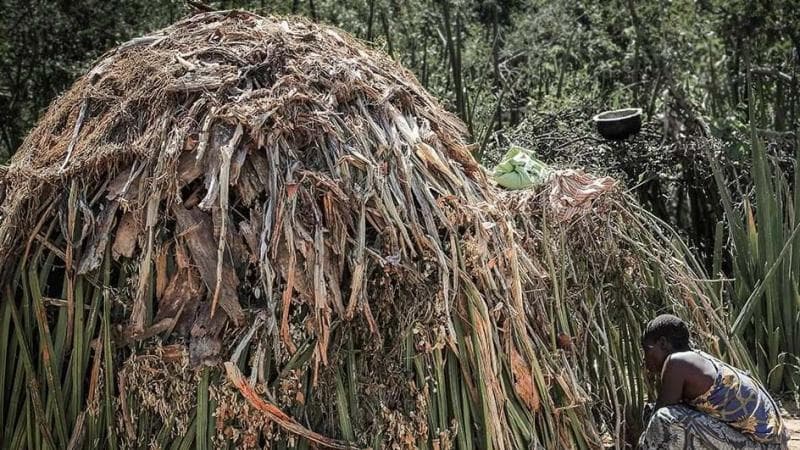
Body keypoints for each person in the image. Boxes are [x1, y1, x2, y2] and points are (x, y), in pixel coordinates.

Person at [638, 314, 789, 449]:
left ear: (663, 344)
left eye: (646, 349)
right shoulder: (696, 359)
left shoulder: (677, 362)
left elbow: (659, 415)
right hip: (768, 443)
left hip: (762, 445)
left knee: (663, 418)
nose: (645, 358)